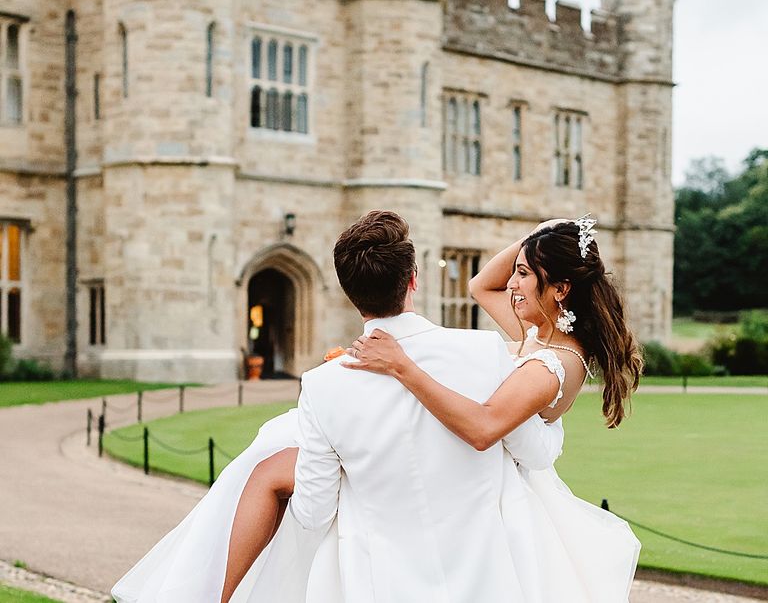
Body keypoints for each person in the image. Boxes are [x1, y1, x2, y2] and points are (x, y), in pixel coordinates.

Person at [112, 210, 565, 603]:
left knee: (269, 461)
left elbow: (313, 512)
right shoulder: (484, 352)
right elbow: (533, 454)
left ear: (349, 293)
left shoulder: (324, 385)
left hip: (379, 582)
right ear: (413, 280)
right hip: (488, 576)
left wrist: (364, 470)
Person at [344, 215, 645, 601]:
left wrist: (401, 365)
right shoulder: (538, 335)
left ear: (560, 289)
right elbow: (480, 285)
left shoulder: (553, 364)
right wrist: (536, 237)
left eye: (523, 274)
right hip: (481, 485)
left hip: (503, 506)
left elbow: (484, 428)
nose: (511, 283)